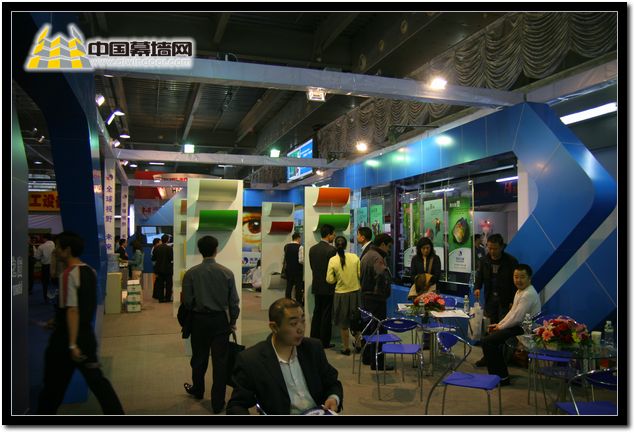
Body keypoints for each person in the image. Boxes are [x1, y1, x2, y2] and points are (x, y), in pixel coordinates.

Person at [36, 231, 124, 414]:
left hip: (66, 341)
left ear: (67, 250)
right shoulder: (90, 271)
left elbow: (73, 310)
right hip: (86, 337)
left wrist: (72, 344)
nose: (55, 251)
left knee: (53, 387)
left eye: (58, 247)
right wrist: (57, 319)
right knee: (98, 382)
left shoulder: (68, 275)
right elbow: (81, 306)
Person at [226, 298, 343, 415]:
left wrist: (333, 398)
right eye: (293, 324)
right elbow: (237, 406)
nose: (301, 329)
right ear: (274, 327)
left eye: (303, 321)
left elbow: (332, 383)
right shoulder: (252, 360)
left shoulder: (313, 348)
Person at [182, 235, 240, 414]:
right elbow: (233, 302)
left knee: (199, 359)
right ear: (216, 250)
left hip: (199, 321)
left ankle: (198, 390)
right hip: (220, 322)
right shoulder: (226, 273)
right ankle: (217, 402)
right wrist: (232, 321)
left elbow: (187, 302)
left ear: (200, 251)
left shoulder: (191, 273)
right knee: (220, 362)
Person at [479, 264, 541, 385]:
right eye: (516, 277)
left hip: (526, 329)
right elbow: (512, 313)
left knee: (488, 341)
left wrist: (500, 327)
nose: (518, 280)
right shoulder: (520, 291)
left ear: (529, 278)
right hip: (519, 326)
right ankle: (498, 374)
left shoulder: (528, 294)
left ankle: (502, 377)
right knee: (489, 339)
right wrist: (498, 325)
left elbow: (517, 318)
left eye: (522, 277)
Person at [473, 233, 519, 367]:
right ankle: (487, 357)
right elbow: (479, 276)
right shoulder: (484, 260)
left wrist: (514, 301)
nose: (492, 251)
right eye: (489, 248)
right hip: (490, 300)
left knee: (503, 330)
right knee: (488, 329)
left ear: (502, 247)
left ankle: (503, 359)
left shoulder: (511, 261)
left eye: (495, 248)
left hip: (505, 301)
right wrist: (477, 287)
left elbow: (515, 283)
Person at [360, 233, 394, 371]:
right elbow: (381, 277)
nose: (389, 250)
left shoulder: (366, 255)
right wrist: (386, 289)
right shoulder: (377, 258)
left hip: (366, 298)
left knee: (368, 328)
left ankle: (367, 357)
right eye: (389, 246)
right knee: (379, 331)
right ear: (383, 244)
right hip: (376, 299)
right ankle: (378, 362)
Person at [326, 236, 361, 356]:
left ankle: (346, 348)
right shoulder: (355, 257)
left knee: (343, 323)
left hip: (341, 294)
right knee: (356, 320)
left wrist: (338, 279)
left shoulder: (332, 260)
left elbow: (329, 279)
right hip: (355, 293)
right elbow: (360, 274)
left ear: (335, 246)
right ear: (346, 245)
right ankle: (358, 344)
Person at [308, 224, 337, 349]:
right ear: (329, 235)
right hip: (328, 287)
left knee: (317, 312)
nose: (334, 237)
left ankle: (314, 338)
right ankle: (324, 341)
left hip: (317, 285)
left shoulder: (312, 249)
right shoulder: (332, 250)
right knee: (326, 314)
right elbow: (334, 270)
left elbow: (312, 267)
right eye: (333, 234)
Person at [152, 234, 174, 303]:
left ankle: (161, 299)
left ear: (161, 240)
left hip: (159, 269)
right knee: (169, 284)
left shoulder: (156, 248)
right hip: (168, 269)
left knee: (160, 284)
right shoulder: (169, 248)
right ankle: (168, 298)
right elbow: (171, 258)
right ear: (167, 240)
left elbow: (153, 258)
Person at [35, 233, 55, 304]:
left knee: (45, 283)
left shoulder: (42, 246)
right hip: (54, 266)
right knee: (55, 282)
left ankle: (46, 298)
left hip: (45, 266)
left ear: (44, 238)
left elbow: (37, 257)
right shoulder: (55, 245)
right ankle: (56, 298)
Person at [283, 233, 303, 301]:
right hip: (298, 270)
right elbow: (301, 260)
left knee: (289, 286)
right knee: (298, 288)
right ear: (298, 238)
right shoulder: (300, 247)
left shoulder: (286, 246)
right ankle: (298, 303)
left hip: (288, 270)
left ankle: (287, 302)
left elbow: (285, 258)